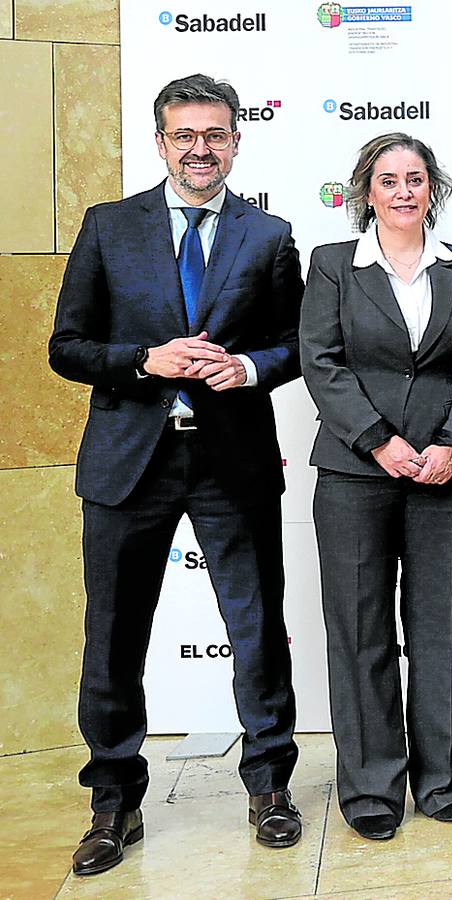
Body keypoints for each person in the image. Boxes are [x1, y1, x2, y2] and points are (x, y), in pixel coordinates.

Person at [48, 74, 304, 876]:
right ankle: (114, 800)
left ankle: (269, 787)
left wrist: (250, 368)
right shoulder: (108, 227)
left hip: (232, 462)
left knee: (257, 631)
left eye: (216, 134)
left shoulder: (268, 234)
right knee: (114, 638)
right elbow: (67, 346)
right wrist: (142, 361)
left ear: (236, 139)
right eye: (185, 135)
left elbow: (299, 344)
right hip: (129, 463)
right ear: (160, 141)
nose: (201, 149)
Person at [299, 133, 452, 840]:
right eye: (389, 180)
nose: (404, 191)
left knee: (439, 632)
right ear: (367, 192)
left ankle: (441, 783)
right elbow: (320, 363)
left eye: (416, 179)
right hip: (356, 474)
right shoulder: (332, 266)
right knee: (361, 634)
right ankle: (372, 789)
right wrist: (379, 441)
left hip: (444, 474)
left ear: (432, 189)